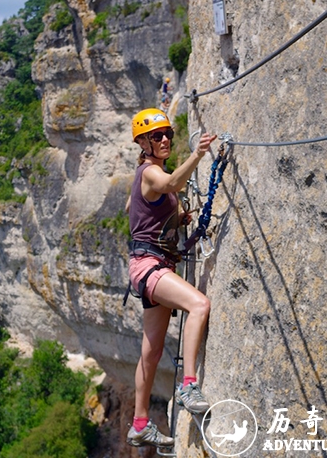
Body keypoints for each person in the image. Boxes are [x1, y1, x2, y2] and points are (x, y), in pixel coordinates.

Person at [125, 108, 217, 449]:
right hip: (151, 266)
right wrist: (198, 154)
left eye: (167, 135)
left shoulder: (149, 175)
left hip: (148, 264)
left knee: (151, 352)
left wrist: (177, 219)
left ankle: (139, 423)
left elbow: (142, 213)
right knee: (199, 304)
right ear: (144, 143)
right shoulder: (150, 172)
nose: (164, 140)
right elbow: (172, 184)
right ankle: (188, 385)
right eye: (156, 136)